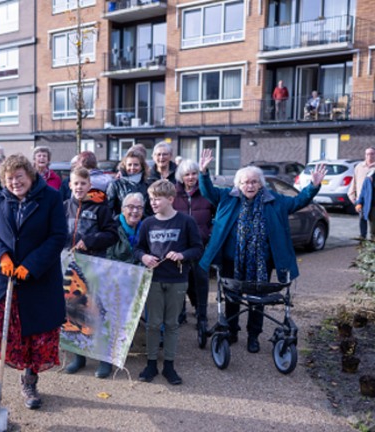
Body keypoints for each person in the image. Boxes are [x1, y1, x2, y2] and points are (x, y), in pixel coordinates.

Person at [198, 149, 326, 353]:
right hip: (232, 259)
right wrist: (203, 171)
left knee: (257, 299)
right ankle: (231, 331)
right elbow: (207, 191)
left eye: (254, 182)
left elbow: (298, 202)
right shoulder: (227, 197)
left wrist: (314, 185)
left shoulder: (274, 200)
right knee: (232, 296)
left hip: (262, 261)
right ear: (238, 184)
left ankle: (253, 336)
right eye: (245, 182)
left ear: (260, 184)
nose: (249, 186)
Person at [0, 154, 68, 411]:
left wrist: (31, 265)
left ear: (30, 175)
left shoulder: (51, 197)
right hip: (3, 278)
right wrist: (2, 256)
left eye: (19, 177)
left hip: (38, 280)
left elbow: (58, 236)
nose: (15, 182)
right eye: (9, 178)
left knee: (33, 333)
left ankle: (29, 382)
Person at [133, 179, 204, 385]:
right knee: (153, 324)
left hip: (177, 280)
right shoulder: (147, 223)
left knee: (171, 324)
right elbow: (138, 249)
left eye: (158, 199)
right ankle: (151, 363)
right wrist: (144, 258)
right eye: (151, 199)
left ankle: (169, 366)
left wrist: (182, 254)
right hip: (154, 280)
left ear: (171, 199)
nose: (153, 203)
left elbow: (198, 249)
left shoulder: (186, 221)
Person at [61, 167, 120, 379]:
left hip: (95, 266)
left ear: (89, 186)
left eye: (83, 184)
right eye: (75, 184)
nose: (79, 187)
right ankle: (79, 356)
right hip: (71, 268)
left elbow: (112, 235)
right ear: (70, 185)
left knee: (97, 310)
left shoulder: (100, 209)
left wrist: (91, 241)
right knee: (74, 312)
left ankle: (104, 359)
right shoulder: (64, 207)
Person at [172, 159, 215, 330]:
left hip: (201, 245)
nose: (191, 177)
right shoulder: (173, 194)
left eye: (194, 173)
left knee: (201, 279)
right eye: (187, 174)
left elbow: (218, 216)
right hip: (180, 246)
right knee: (180, 278)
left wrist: (208, 232)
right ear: (181, 176)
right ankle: (180, 312)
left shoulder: (206, 192)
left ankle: (202, 315)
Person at [106, 150, 152, 217]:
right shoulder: (115, 185)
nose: (132, 168)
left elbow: (152, 210)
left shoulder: (149, 185)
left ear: (141, 166)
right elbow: (108, 209)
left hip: (143, 224)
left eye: (136, 165)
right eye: (129, 165)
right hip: (121, 224)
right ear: (125, 166)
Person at [106, 192, 144, 264]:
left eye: (139, 207)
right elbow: (108, 257)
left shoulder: (146, 229)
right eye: (131, 207)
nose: (135, 211)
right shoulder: (111, 228)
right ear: (122, 210)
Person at [349, 148, 375, 239]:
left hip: (373, 200)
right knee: (362, 219)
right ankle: (362, 240)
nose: (369, 156)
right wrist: (352, 196)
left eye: (372, 154)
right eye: (367, 154)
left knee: (373, 222)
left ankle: (372, 242)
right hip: (361, 199)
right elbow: (354, 182)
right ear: (365, 155)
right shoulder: (359, 167)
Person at [355, 170, 375, 240]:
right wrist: (359, 203)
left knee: (373, 230)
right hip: (368, 205)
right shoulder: (369, 176)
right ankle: (363, 240)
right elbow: (363, 191)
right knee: (363, 220)